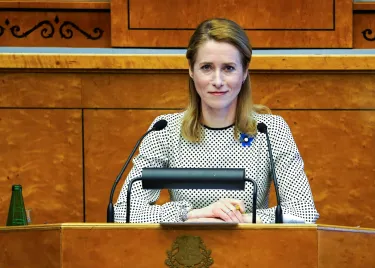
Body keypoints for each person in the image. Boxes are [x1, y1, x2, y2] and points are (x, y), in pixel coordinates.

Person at [114, 18, 319, 224]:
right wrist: (195, 214)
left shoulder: (270, 130)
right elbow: (123, 213)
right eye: (207, 67)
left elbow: (303, 212)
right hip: (185, 251)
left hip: (253, 251)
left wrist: (241, 219)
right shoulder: (165, 130)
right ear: (191, 70)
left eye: (229, 68)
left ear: (245, 71)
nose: (218, 81)